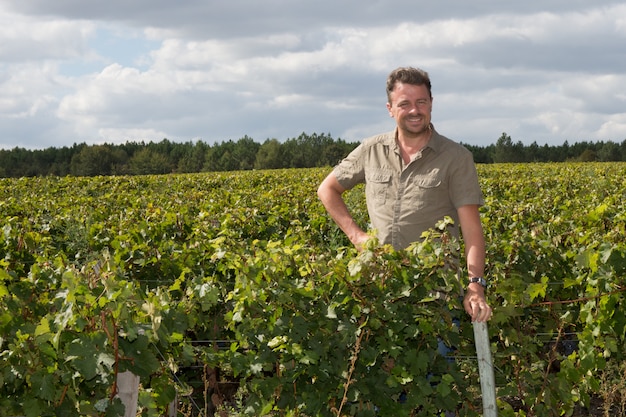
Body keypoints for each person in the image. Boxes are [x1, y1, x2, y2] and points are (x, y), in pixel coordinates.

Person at [317, 66, 492, 323]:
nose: (414, 110)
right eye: (404, 104)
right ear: (390, 109)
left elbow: (472, 231)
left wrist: (475, 286)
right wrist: (356, 236)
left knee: (435, 363)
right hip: (380, 291)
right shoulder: (371, 149)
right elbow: (327, 189)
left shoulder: (456, 158)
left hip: (435, 297)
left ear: (431, 104)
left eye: (421, 102)